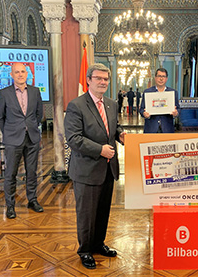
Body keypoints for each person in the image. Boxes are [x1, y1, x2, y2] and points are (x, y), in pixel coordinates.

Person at [64, 63, 126, 270]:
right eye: (98, 78)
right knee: (86, 213)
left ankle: (98, 244)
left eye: (106, 79)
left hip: (108, 169)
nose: (103, 82)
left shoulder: (111, 104)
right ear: (89, 80)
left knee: (102, 211)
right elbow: (74, 138)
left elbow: (113, 127)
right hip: (86, 170)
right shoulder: (76, 105)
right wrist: (100, 149)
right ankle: (85, 250)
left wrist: (121, 135)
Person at [0, 62, 44, 219]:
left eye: (23, 71)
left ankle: (32, 200)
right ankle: (10, 206)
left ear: (27, 74)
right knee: (11, 173)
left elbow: (39, 114)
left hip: (32, 138)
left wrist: (31, 127)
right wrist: (9, 133)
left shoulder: (35, 92)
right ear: (12, 75)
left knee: (32, 172)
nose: (20, 74)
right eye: (17, 72)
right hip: (12, 140)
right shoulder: (4, 93)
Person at [139, 68, 180, 133]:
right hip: (151, 129)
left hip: (167, 129)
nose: (161, 79)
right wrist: (144, 114)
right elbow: (141, 109)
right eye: (159, 76)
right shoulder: (147, 92)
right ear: (155, 78)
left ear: (166, 79)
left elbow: (178, 109)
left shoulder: (173, 92)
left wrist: (176, 113)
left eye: (163, 76)